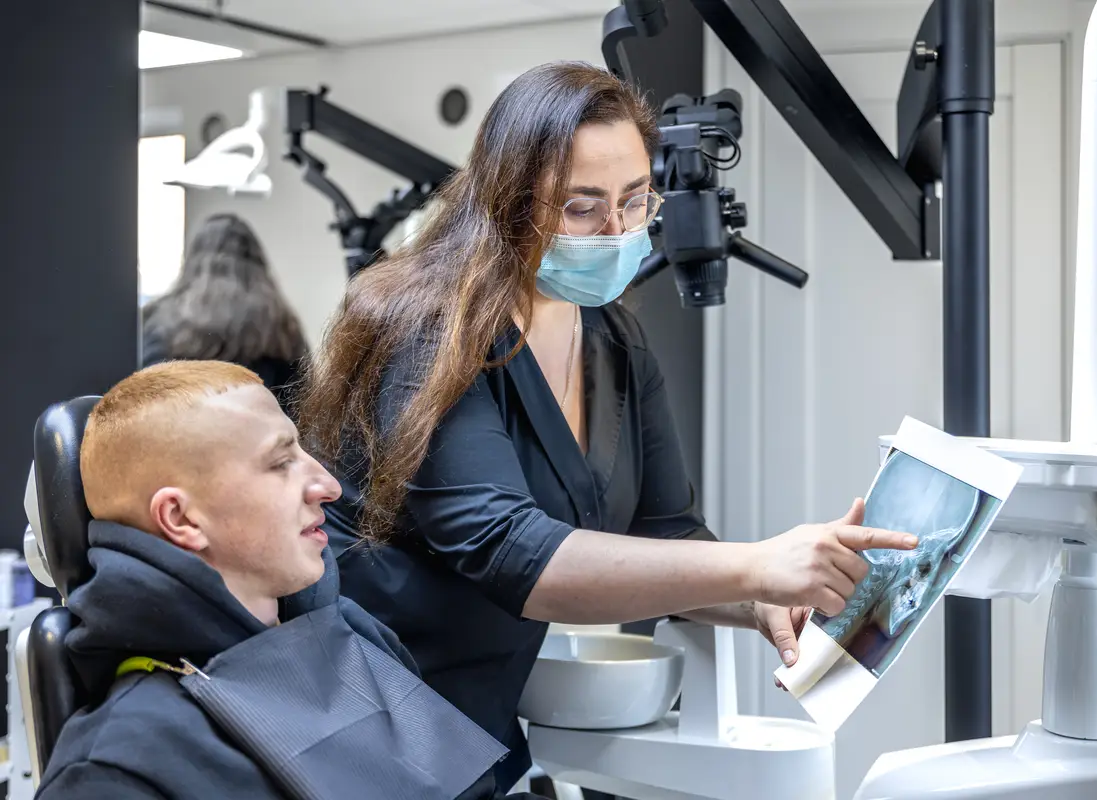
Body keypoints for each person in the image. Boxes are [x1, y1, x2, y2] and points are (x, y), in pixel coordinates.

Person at [298, 61, 918, 791]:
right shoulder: (430, 332)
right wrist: (758, 563)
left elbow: (667, 531)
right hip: (360, 723)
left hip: (477, 725)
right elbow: (509, 550)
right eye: (581, 207)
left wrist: (759, 600)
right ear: (510, 202)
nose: (618, 231)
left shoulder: (613, 341)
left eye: (634, 199)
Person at [36, 361, 546, 800]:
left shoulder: (351, 637)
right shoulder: (116, 765)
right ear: (181, 519)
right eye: (281, 463)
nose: (325, 485)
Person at [141, 213, 308, 408]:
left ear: (192, 257)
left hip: (179, 433)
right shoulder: (282, 326)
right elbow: (300, 400)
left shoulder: (158, 318)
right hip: (259, 433)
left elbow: (142, 395)